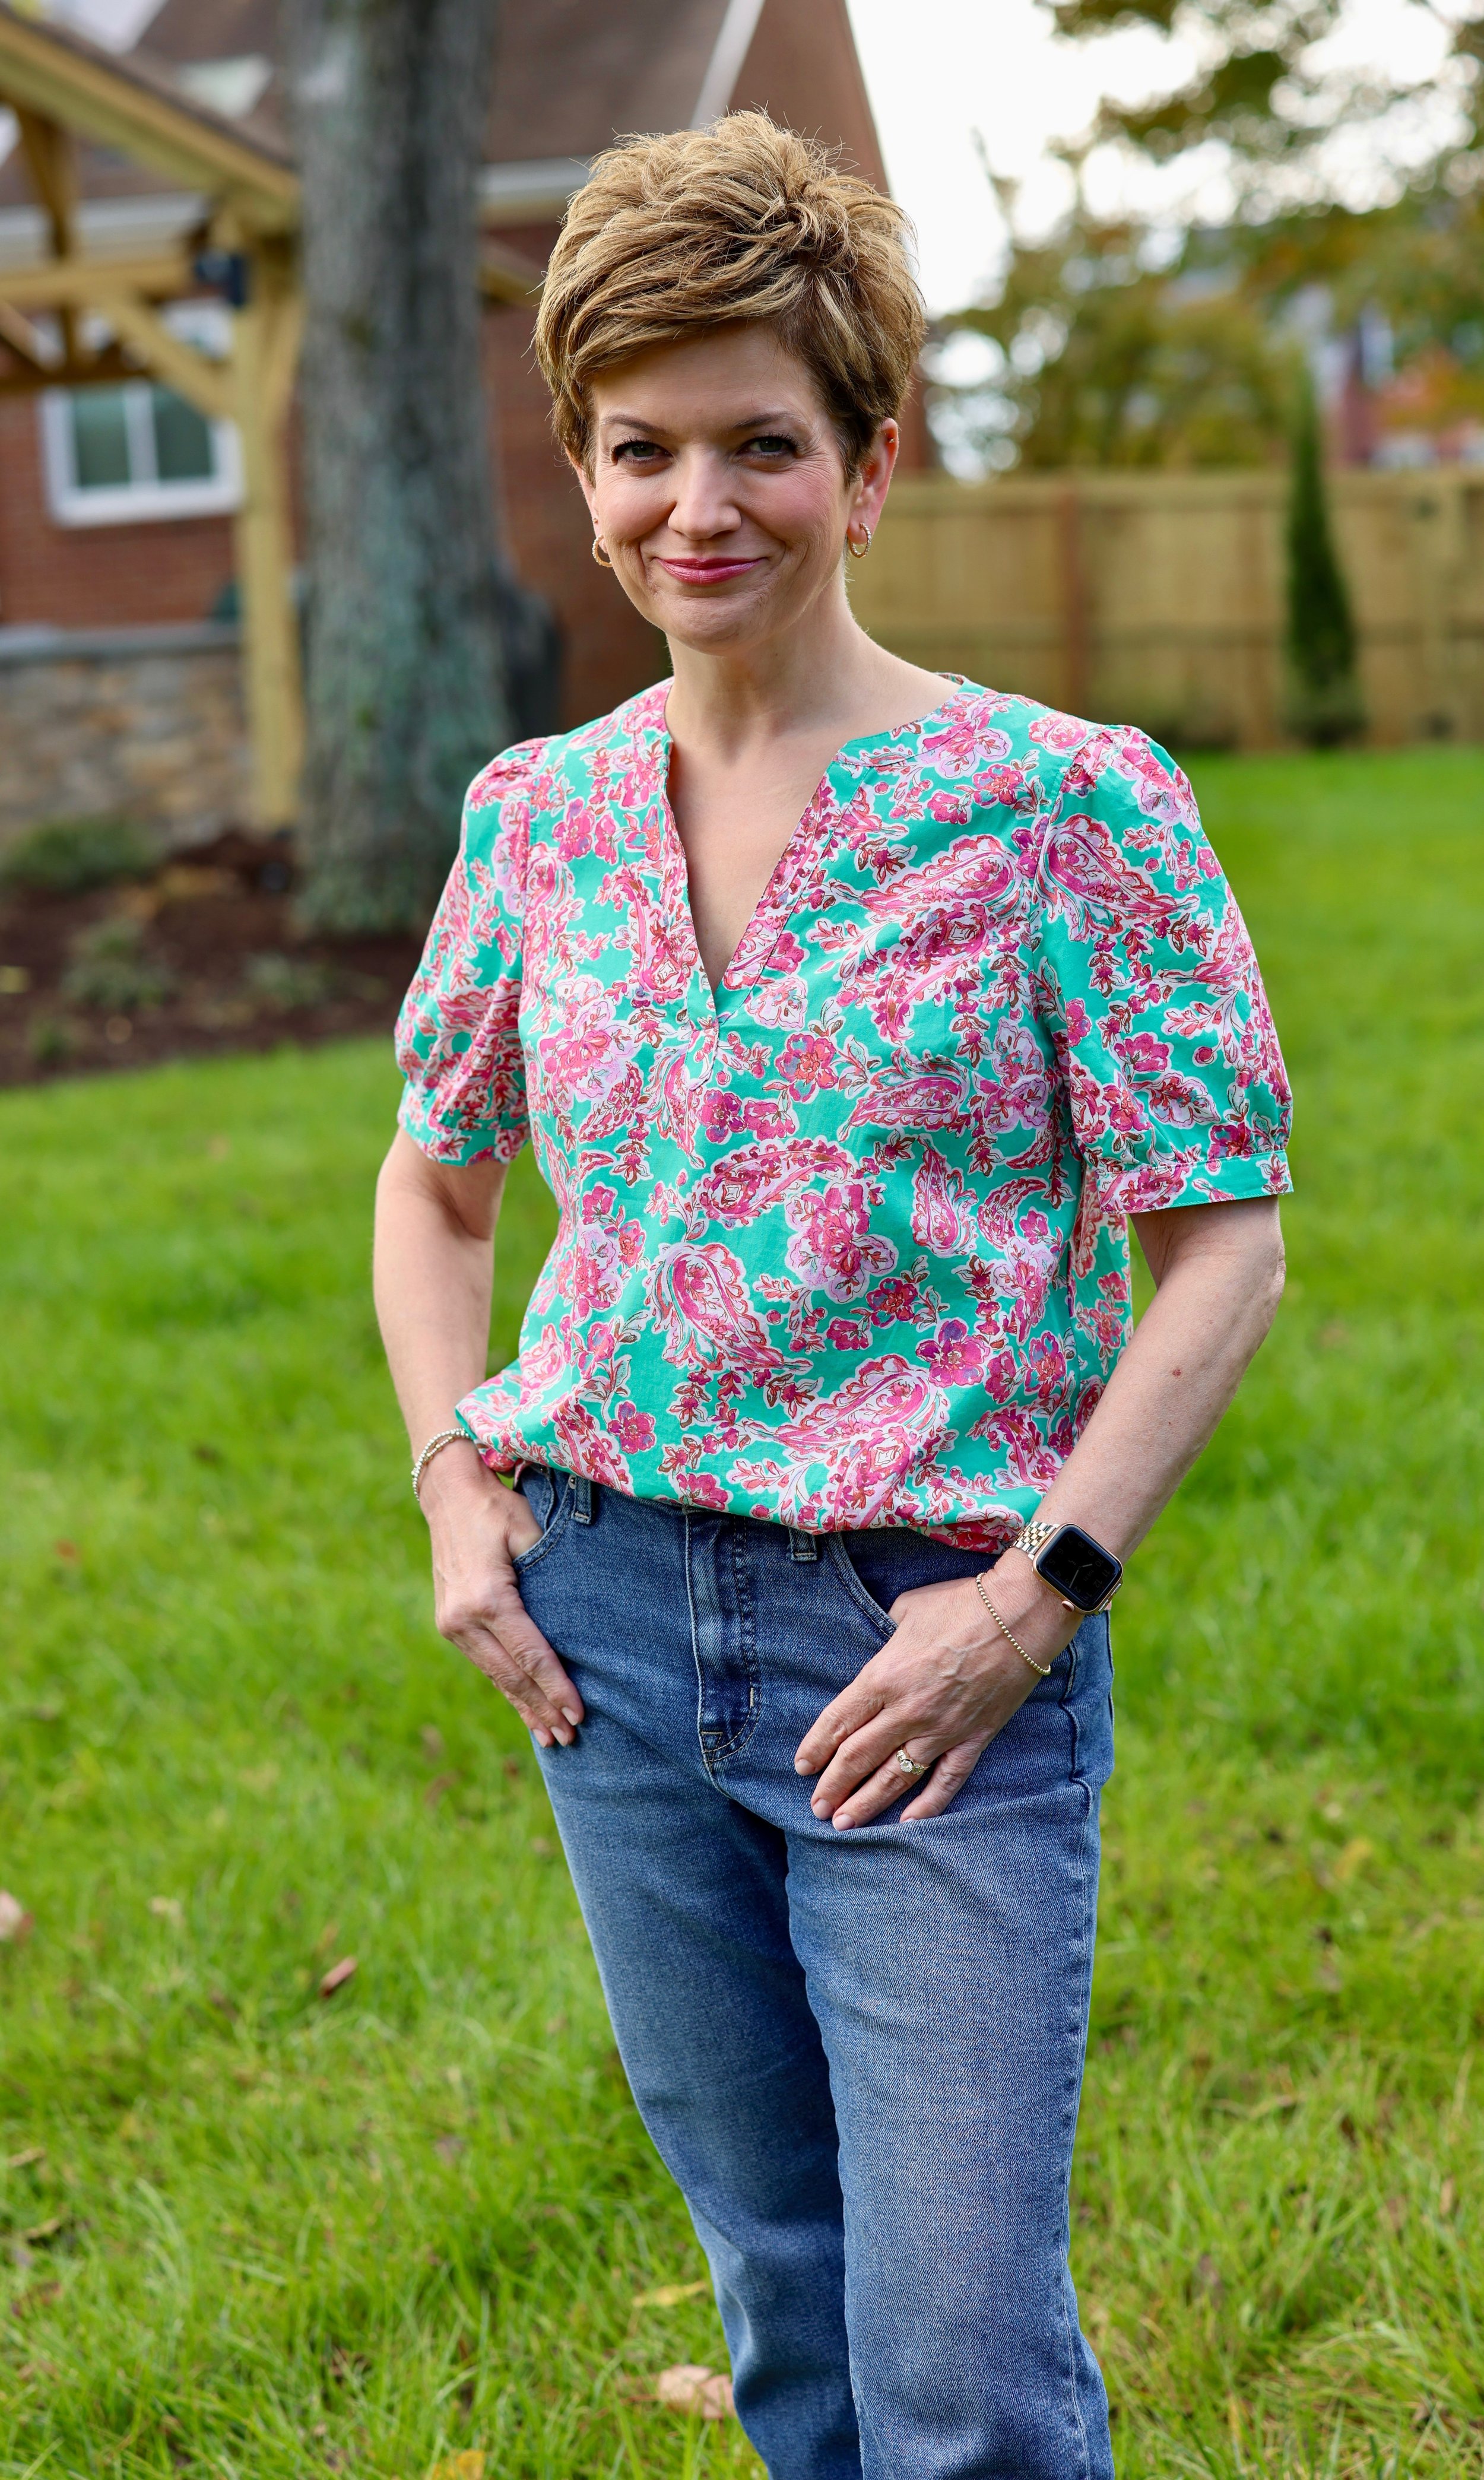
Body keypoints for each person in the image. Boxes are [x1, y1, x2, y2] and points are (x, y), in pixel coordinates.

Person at [373, 112, 1290, 2480]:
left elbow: (1223, 1237)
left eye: (760, 442)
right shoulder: (534, 819)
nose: (698, 504)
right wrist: (459, 1491)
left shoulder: (1063, 807)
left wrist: (1034, 1595)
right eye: (639, 447)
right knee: (786, 2299)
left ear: (869, 465)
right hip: (606, 1632)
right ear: (585, 473)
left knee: (958, 2368)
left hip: (926, 1647)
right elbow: (436, 1181)